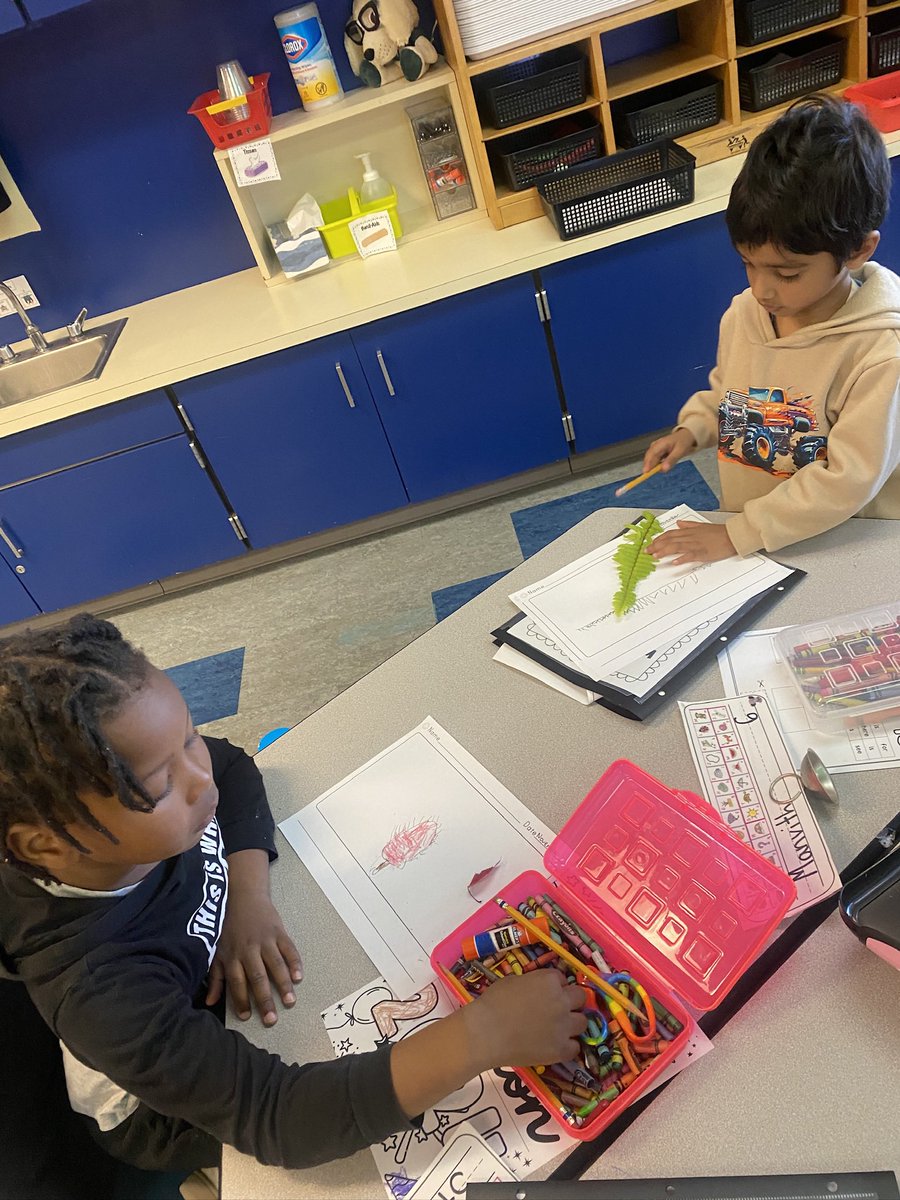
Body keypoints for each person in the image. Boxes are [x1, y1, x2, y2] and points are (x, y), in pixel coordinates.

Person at [0, 614, 587, 1177]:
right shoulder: (98, 989)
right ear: (48, 845)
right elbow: (280, 1118)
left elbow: (232, 769)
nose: (197, 776)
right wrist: (482, 1036)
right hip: (163, 1111)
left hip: (226, 989)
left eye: (189, 738)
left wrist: (246, 897)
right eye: (161, 783)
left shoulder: (162, 801)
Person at [642, 95, 900, 565]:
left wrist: (739, 533)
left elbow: (849, 479)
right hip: (755, 540)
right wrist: (693, 428)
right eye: (748, 264)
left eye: (787, 273)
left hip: (845, 546)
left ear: (859, 250)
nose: (762, 290)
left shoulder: (882, 352)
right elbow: (732, 394)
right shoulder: (744, 314)